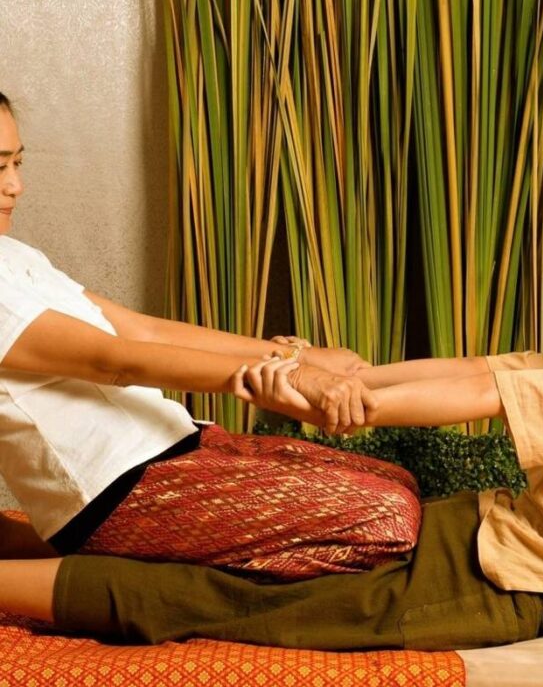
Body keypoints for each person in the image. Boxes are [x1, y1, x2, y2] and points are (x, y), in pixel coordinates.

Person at [0, 90, 424, 581]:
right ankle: (175, 593)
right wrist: (292, 376)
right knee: (389, 517)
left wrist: (295, 354)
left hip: (177, 442)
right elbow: (113, 360)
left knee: (397, 481)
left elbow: (143, 330)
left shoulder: (14, 256)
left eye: (17, 163)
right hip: (118, 494)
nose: (16, 186)